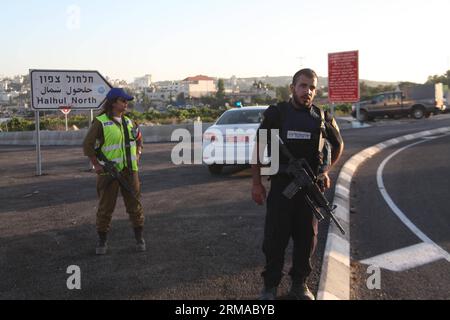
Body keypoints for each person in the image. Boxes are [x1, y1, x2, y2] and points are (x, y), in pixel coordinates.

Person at [251, 69, 344, 300]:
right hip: (282, 187)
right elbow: (258, 149)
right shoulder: (277, 114)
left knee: (307, 240)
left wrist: (325, 171)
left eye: (312, 87)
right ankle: (270, 286)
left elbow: (338, 145)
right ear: (292, 87)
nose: (308, 91)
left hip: (309, 191)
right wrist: (256, 184)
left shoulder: (322, 118)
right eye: (303, 86)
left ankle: (299, 285)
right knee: (275, 240)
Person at [83, 88, 145, 255]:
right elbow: (88, 145)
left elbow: (139, 140)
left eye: (126, 101)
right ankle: (102, 241)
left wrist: (138, 155)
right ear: (113, 103)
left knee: (135, 206)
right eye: (122, 100)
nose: (126, 103)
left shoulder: (131, 122)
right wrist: (96, 165)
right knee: (105, 209)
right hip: (108, 174)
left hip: (130, 172)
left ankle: (139, 238)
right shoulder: (101, 122)